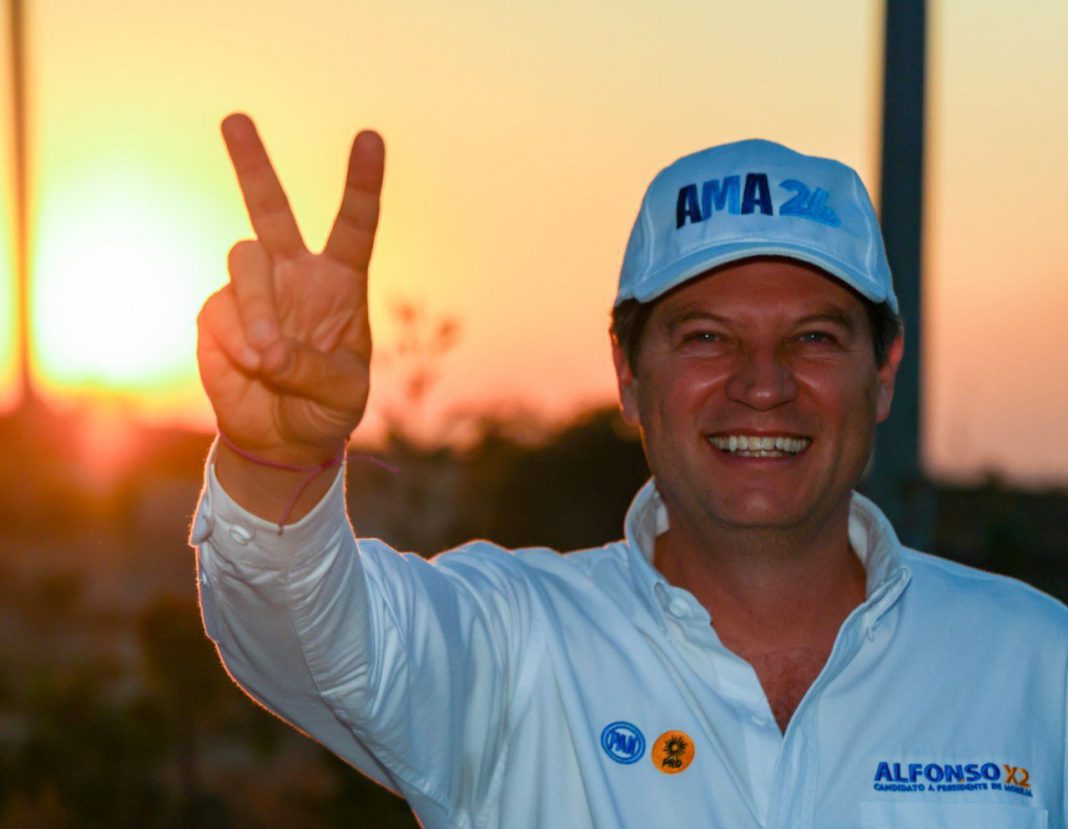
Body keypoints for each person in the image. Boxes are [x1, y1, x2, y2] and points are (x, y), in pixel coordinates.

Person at [190, 114, 1067, 828]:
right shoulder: (515, 648)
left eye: (814, 337)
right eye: (707, 337)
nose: (763, 384)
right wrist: (279, 457)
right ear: (628, 374)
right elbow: (303, 633)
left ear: (884, 372)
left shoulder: (1037, 663)